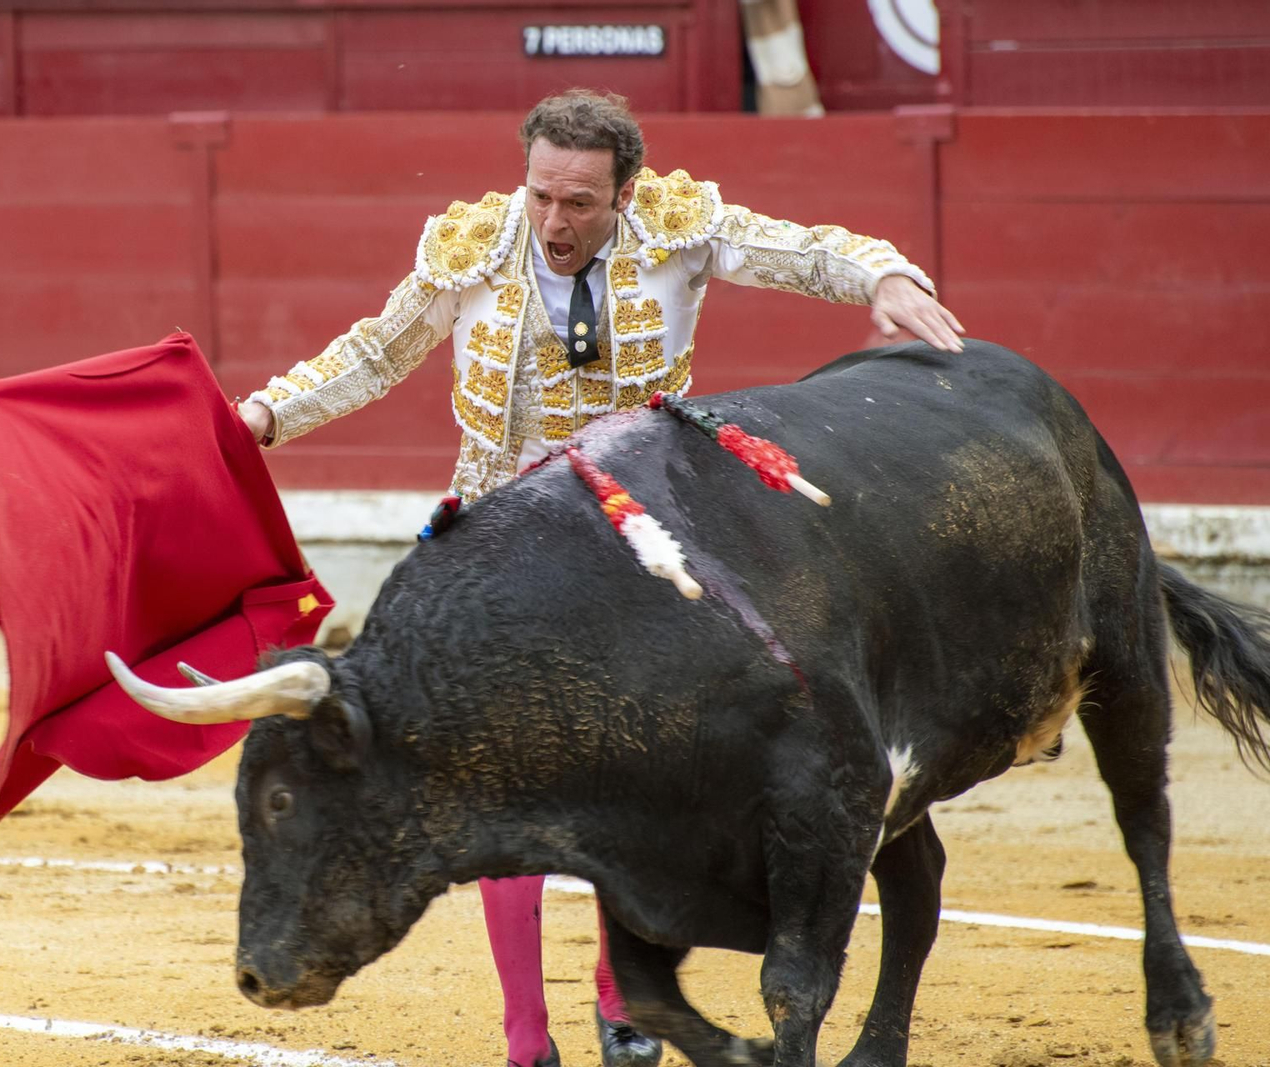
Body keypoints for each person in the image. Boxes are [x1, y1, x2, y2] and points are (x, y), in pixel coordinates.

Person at [236, 90, 963, 1067]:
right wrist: (268, 415)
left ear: (623, 191)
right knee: (479, 775)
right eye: (540, 194)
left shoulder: (675, 229)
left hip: (639, 556)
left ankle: (629, 1002)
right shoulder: (471, 247)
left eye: (578, 201)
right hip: (494, 561)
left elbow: (801, 248)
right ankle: (524, 1034)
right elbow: (377, 349)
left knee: (649, 784)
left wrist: (883, 271)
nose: (553, 220)